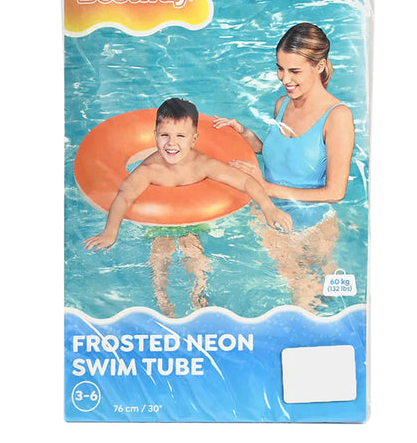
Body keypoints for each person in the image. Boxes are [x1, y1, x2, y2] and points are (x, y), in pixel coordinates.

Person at [84, 97, 293, 316]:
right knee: (160, 253)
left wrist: (269, 208)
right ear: (155, 136)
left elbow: (246, 182)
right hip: (159, 220)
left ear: (194, 140)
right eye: (164, 135)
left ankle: (198, 296)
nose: (171, 143)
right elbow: (124, 196)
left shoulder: (201, 165)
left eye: (180, 136)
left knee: (193, 251)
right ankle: (163, 301)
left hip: (193, 218)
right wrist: (110, 232)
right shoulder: (150, 170)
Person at [213, 22, 355, 312]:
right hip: (270, 215)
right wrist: (243, 132)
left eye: (294, 71)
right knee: (309, 299)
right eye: (280, 68)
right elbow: (281, 154)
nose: (284, 79)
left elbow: (336, 192)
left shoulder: (337, 117)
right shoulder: (282, 105)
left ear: (319, 66)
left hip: (312, 225)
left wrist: (265, 188)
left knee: (306, 302)